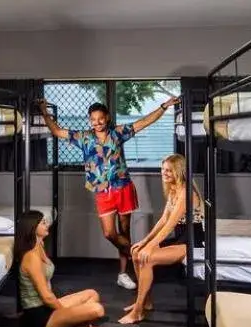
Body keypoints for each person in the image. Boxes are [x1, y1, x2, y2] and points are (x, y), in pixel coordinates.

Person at [35, 94, 180, 290]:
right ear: (89, 120)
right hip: (103, 192)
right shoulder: (83, 138)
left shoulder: (118, 133)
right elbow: (57, 130)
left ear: (108, 118)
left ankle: (123, 273)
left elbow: (144, 122)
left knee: (124, 231)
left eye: (100, 118)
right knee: (109, 233)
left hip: (123, 187)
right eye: (93, 119)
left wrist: (164, 106)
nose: (97, 123)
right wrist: (44, 112)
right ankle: (138, 253)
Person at [120, 154, 204, 325]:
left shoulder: (186, 192)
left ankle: (138, 311)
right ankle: (145, 301)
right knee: (136, 252)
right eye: (163, 169)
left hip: (191, 240)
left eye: (169, 171)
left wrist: (151, 246)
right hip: (180, 236)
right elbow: (163, 220)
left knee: (147, 258)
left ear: (178, 172)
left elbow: (170, 225)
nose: (164, 173)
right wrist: (145, 241)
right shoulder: (174, 190)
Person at [12, 209, 106, 327]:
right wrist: (66, 312)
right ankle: (79, 326)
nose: (47, 225)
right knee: (97, 309)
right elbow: (46, 297)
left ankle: (75, 324)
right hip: (38, 316)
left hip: (47, 306)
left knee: (92, 294)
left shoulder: (39, 245)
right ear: (32, 228)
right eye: (43, 223)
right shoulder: (31, 257)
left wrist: (70, 314)